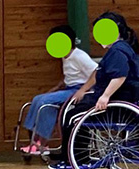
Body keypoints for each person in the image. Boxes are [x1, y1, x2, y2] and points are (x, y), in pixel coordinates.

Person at [20, 25, 98, 155]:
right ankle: (35, 142)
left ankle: (42, 144)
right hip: (69, 88)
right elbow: (70, 76)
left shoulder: (79, 56)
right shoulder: (64, 55)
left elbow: (96, 73)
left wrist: (82, 91)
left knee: (45, 103)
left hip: (79, 90)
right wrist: (56, 87)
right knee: (37, 99)